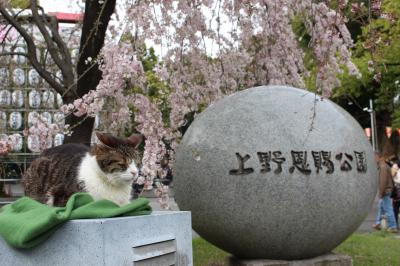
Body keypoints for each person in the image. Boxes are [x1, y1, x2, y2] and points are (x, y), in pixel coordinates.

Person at [372, 153, 398, 233]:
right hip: (387, 190)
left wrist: (381, 193)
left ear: (379, 158)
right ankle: (378, 223)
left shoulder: (382, 167)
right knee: (381, 207)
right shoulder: (384, 166)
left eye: (374, 157)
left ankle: (393, 226)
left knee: (388, 208)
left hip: (386, 191)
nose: (373, 159)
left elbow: (383, 181)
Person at [391, 160, 400, 227]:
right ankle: (395, 224)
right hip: (397, 191)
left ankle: (395, 224)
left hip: (397, 191)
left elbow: (393, 178)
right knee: (395, 208)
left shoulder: (395, 169)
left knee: (395, 208)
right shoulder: (395, 169)